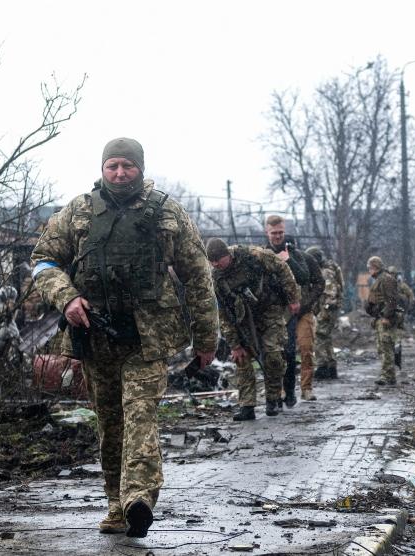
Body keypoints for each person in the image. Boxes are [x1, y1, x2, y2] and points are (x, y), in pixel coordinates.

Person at [30, 138, 219, 538]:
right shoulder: (78, 211)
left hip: (148, 338)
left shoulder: (167, 212)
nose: (119, 173)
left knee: (140, 414)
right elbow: (43, 260)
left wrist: (207, 338)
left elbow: (198, 276)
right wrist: (67, 298)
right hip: (95, 335)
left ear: (140, 168)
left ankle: (139, 499)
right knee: (110, 422)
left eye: (127, 166)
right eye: (112, 166)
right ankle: (116, 506)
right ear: (102, 169)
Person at [207, 238, 299, 421]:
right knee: (241, 358)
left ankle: (273, 398)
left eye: (218, 260)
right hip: (242, 319)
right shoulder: (215, 278)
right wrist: (234, 345)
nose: (216, 264)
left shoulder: (254, 256)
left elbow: (282, 269)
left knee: (273, 355)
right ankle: (247, 406)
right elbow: (222, 314)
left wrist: (293, 298)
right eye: (212, 261)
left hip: (269, 310)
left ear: (228, 255)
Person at [263, 216, 324, 405]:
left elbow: (316, 281)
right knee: (283, 353)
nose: (277, 236)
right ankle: (283, 390)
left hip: (303, 311)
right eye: (274, 233)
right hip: (279, 313)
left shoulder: (300, 256)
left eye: (280, 232)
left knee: (306, 349)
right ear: (267, 232)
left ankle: (306, 388)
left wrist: (306, 304)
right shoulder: (262, 255)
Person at [308, 246, 344, 380]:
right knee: (325, 337)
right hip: (329, 308)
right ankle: (330, 367)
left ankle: (322, 366)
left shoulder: (325, 272)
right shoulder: (330, 269)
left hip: (328, 309)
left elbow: (330, 293)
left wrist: (325, 310)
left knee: (319, 336)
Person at [365, 256, 402, 385]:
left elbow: (392, 300)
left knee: (386, 347)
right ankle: (388, 375)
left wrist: (386, 316)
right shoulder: (380, 279)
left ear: (375, 267)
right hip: (380, 317)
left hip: (386, 319)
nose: (369, 270)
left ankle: (387, 376)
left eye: (370, 267)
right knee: (382, 347)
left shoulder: (386, 279)